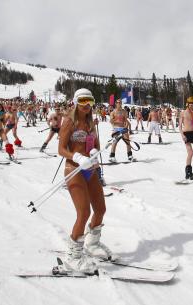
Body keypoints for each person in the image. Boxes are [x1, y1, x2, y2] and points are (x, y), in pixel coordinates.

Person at [58, 88, 113, 273]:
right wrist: (77, 157)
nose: (87, 106)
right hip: (74, 169)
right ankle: (73, 258)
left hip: (90, 169)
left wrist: (93, 153)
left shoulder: (91, 122)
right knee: (83, 212)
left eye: (90, 101)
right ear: (75, 102)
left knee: (100, 209)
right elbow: (61, 149)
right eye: (83, 102)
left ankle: (92, 243)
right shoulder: (69, 121)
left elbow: (95, 144)